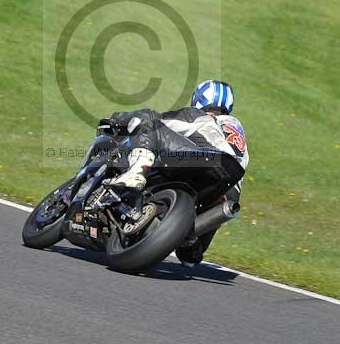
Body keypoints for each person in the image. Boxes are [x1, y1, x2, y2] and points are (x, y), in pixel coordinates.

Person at [102, 79, 249, 267]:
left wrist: (117, 119)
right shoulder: (238, 133)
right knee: (190, 258)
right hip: (228, 187)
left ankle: (136, 171)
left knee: (148, 119)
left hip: (205, 161)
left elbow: (160, 120)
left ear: (199, 99)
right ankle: (191, 242)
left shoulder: (202, 116)